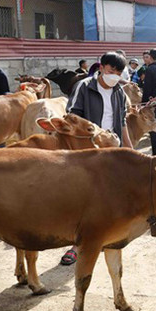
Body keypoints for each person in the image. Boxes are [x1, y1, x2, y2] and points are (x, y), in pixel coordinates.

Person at [62, 51, 133, 265]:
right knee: (84, 198)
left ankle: (103, 237)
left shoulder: (119, 91)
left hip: (111, 148)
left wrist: (129, 149)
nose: (114, 76)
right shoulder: (84, 87)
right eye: (111, 71)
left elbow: (121, 122)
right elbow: (72, 118)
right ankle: (75, 244)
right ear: (101, 67)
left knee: (108, 196)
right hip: (89, 151)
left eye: (119, 72)